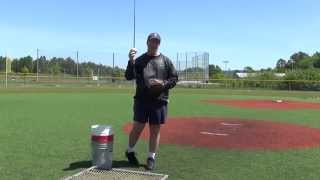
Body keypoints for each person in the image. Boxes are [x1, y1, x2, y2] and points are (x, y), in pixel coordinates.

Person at [125, 33, 178, 170]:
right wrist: (131, 61)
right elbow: (128, 76)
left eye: (157, 42)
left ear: (159, 43)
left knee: (155, 130)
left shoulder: (166, 61)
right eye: (152, 41)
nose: (154, 44)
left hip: (159, 101)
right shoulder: (140, 60)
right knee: (137, 128)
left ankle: (151, 157)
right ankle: (130, 151)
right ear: (147, 42)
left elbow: (174, 79)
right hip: (142, 100)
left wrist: (163, 84)